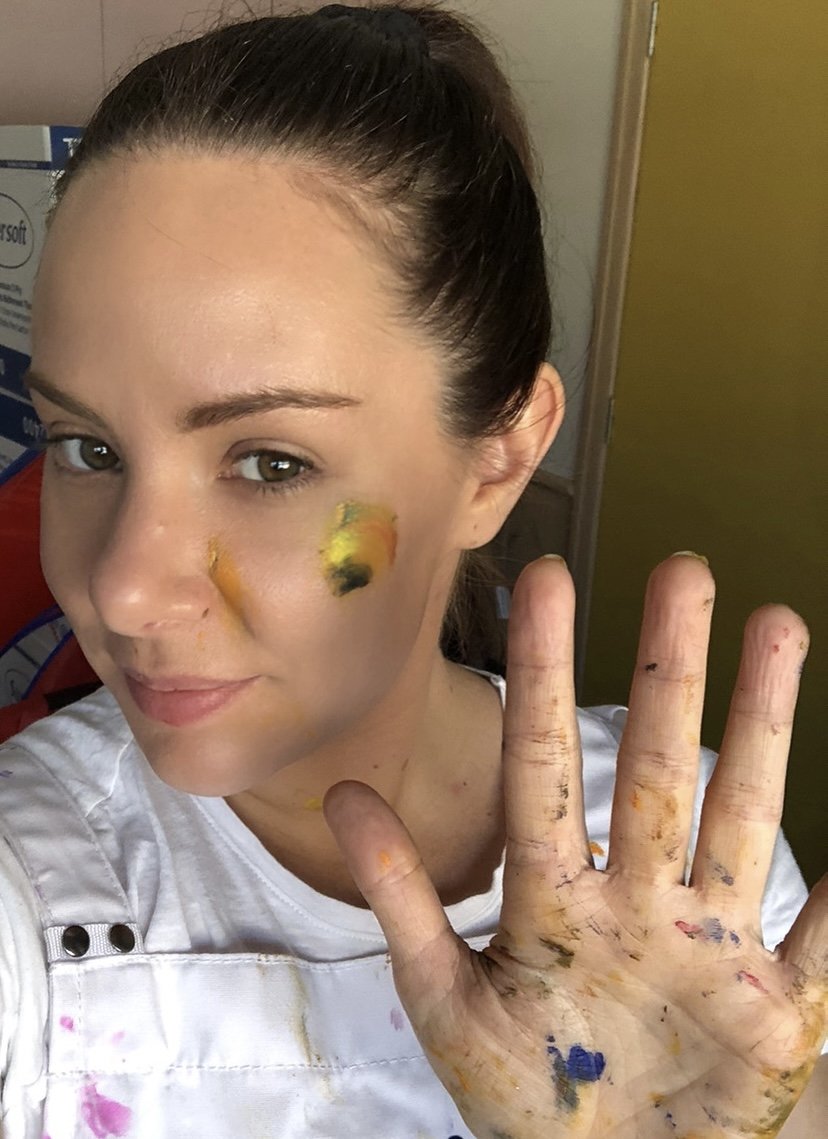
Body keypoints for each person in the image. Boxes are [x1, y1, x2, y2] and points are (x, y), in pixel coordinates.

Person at [0, 4, 824, 1136]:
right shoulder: (31, 889)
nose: (122, 589)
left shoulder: (689, 874)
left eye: (270, 460)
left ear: (501, 454)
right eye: (88, 447)